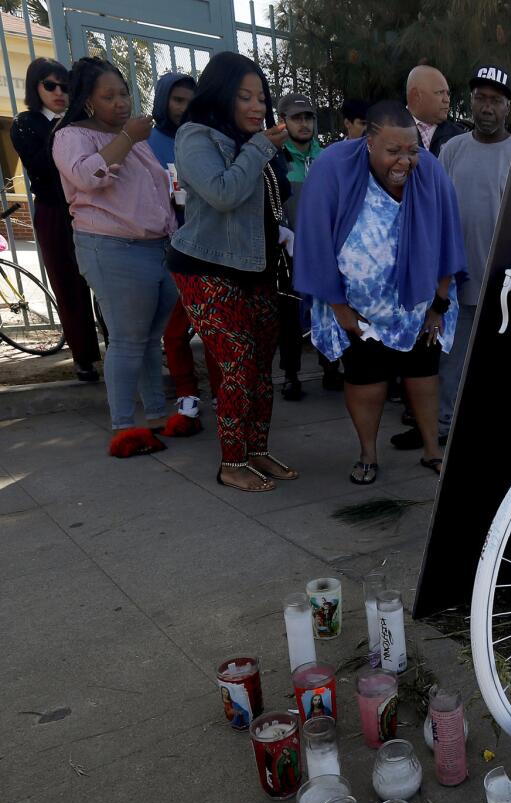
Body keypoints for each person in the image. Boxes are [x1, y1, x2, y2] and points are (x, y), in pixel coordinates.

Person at [294, 100, 465, 482]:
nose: (404, 162)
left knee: (422, 376)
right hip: (359, 310)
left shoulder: (431, 171)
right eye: (393, 151)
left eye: (412, 150)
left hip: (419, 305)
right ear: (369, 142)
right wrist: (339, 309)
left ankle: (432, 450)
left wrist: (437, 305)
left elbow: (448, 241)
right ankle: (368, 455)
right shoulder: (332, 168)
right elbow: (316, 242)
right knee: (366, 381)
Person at [170, 51, 299, 492]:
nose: (257, 106)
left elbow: (270, 198)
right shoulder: (195, 137)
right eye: (245, 97)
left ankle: (256, 450)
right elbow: (223, 193)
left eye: (261, 97)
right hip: (206, 269)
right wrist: (262, 147)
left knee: (263, 368)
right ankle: (231, 461)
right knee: (238, 365)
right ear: (222, 95)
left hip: (255, 269)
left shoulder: (253, 143)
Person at [392, 64, 511, 452]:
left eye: (495, 101)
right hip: (453, 283)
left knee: (497, 364)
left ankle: (493, 428)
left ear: (507, 107)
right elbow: (433, 212)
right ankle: (441, 427)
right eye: (480, 99)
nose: (486, 107)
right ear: (471, 102)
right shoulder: (451, 151)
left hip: (503, 286)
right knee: (449, 360)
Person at [52, 57, 178, 457]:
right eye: (109, 96)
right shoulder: (73, 136)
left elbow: (158, 190)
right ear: (88, 101)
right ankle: (124, 427)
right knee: (127, 340)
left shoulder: (131, 138)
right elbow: (87, 176)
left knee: (148, 339)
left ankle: (156, 414)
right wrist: (127, 138)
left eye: (124, 93)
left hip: (156, 247)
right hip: (113, 249)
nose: (121, 102)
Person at [9, 57, 101, 383]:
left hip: (93, 207)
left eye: (65, 86)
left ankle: (120, 346)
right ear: (36, 87)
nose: (59, 92)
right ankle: (85, 357)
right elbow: (43, 168)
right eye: (50, 85)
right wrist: (65, 128)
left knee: (106, 280)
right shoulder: (26, 123)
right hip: (54, 210)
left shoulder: (84, 121)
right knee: (68, 283)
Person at [147, 71, 222, 433]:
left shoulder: (207, 139)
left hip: (207, 248)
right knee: (175, 331)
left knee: (212, 329)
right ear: (164, 101)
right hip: (169, 249)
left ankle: (224, 393)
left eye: (190, 101)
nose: (184, 108)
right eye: (177, 100)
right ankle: (186, 395)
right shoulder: (148, 142)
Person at [275, 92, 337, 401]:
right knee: (289, 314)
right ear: (282, 121)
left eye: (308, 117)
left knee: (327, 310)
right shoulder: (275, 158)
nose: (304, 123)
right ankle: (290, 374)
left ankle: (331, 366)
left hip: (325, 251)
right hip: (288, 252)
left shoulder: (326, 157)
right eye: (297, 117)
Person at [406, 65, 463, 156]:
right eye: (439, 92)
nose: (447, 100)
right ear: (416, 95)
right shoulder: (389, 131)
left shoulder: (459, 138)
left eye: (448, 94)